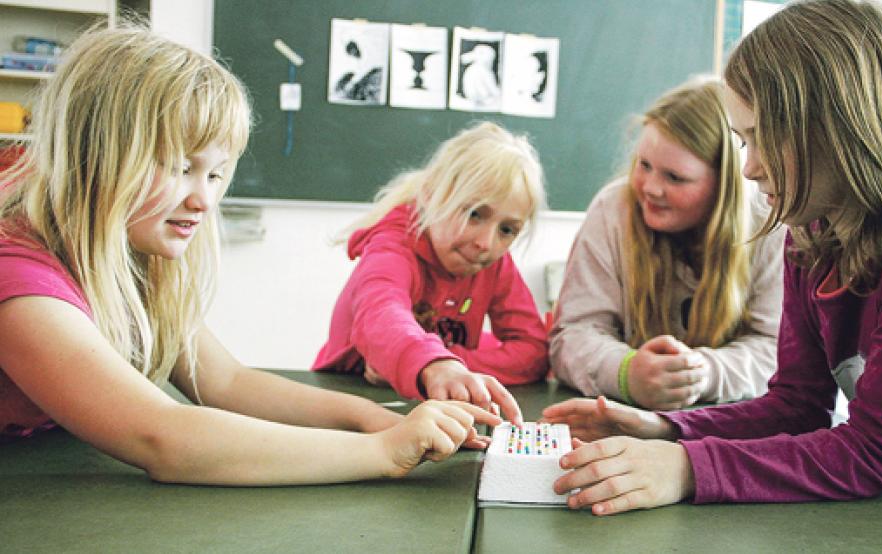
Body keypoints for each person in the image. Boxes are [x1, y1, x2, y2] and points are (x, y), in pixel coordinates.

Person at [0, 24, 500, 485]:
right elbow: (162, 437)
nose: (204, 200)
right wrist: (384, 452)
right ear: (95, 155)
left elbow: (227, 382)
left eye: (215, 174)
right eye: (180, 167)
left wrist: (372, 419)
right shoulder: (18, 279)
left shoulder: (135, 261)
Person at [542, 0, 882, 515]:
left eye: (760, 139)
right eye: (741, 141)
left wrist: (686, 467)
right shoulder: (809, 234)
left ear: (832, 127)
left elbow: (878, 451)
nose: (748, 169)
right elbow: (797, 407)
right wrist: (668, 429)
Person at [550, 77, 784, 411]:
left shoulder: (769, 226)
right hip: (625, 415)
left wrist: (699, 373)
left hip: (728, 424)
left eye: (675, 178)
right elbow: (573, 335)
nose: (650, 188)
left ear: (723, 187)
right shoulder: (613, 209)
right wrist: (627, 372)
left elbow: (777, 350)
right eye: (644, 165)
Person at [312, 121, 548, 424]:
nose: (486, 243)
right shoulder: (393, 246)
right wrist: (432, 364)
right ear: (432, 195)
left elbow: (533, 351)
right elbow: (380, 313)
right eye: (475, 214)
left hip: (432, 409)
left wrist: (448, 364)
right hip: (347, 407)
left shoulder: (494, 263)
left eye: (507, 230)